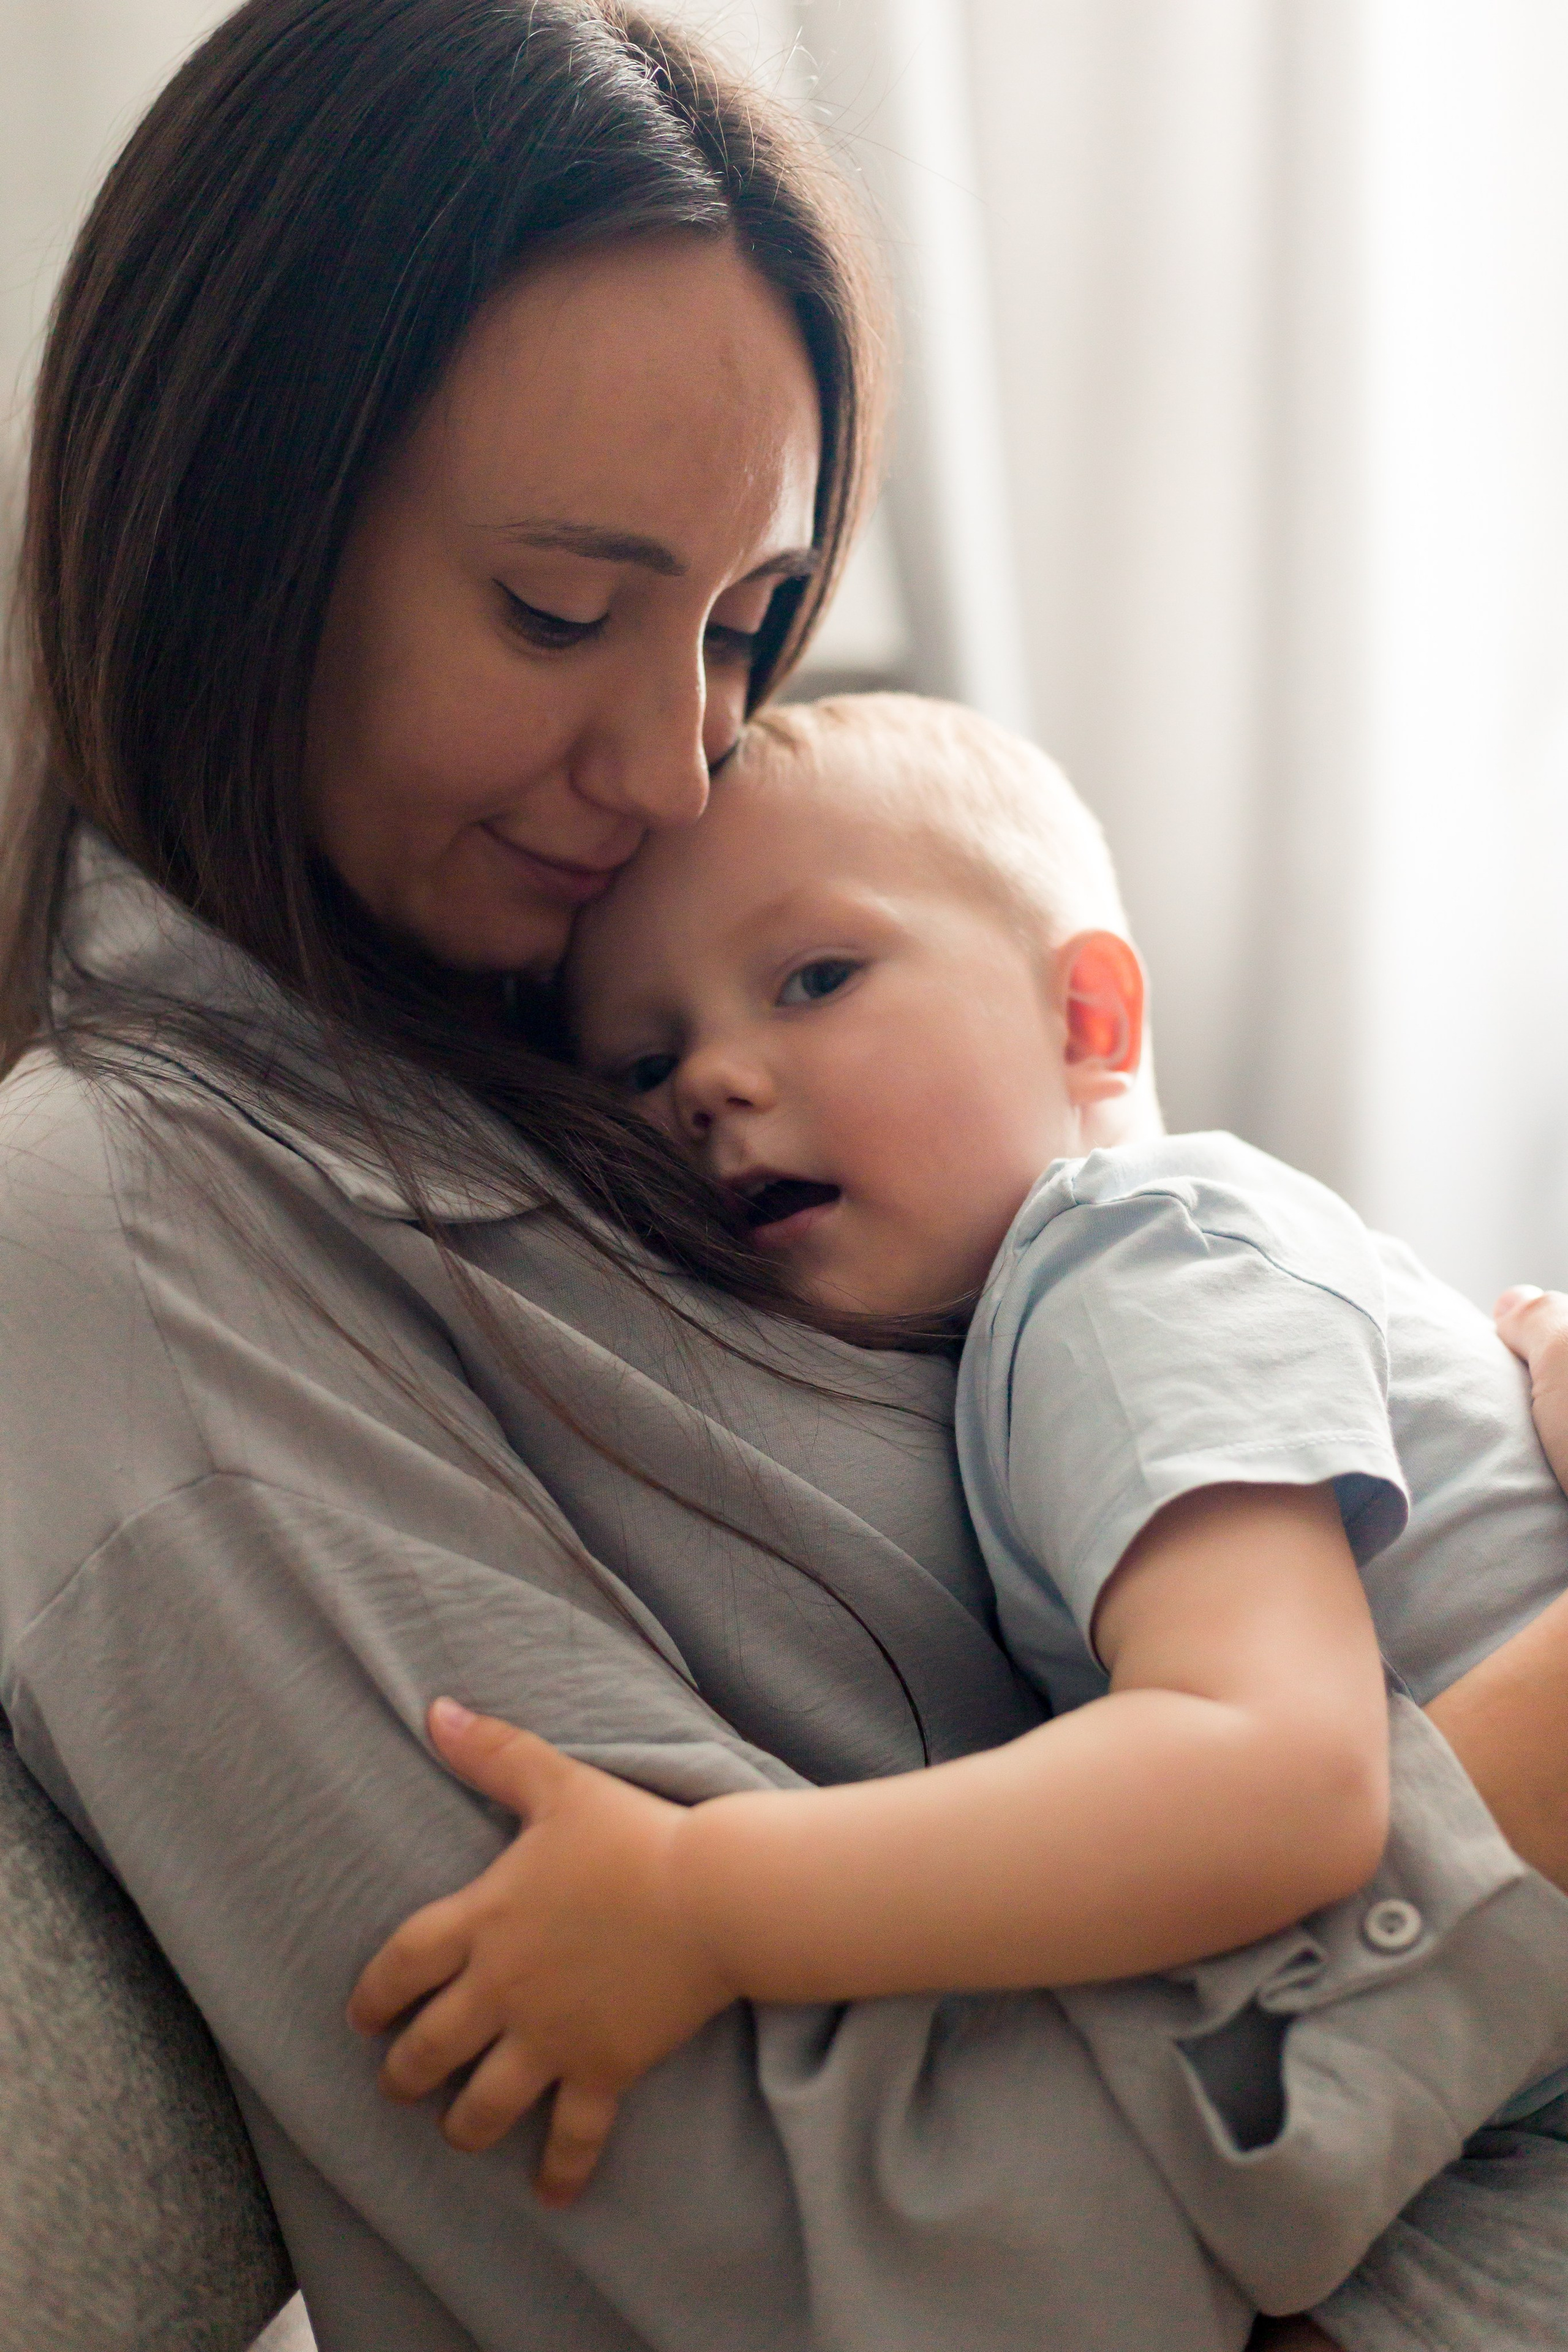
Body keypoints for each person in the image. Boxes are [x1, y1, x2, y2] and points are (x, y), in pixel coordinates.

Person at [1, 5, 1567, 2349]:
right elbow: (839, 2274)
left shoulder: (536, 1009)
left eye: (745, 623)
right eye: (554, 612)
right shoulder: (124, 1241)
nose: (677, 763)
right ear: (239, 532)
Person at [349, 691, 1568, 2214]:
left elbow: (1277, 1778)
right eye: (640, 1065)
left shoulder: (1126, 1254)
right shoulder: (1048, 1317)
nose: (711, 1081)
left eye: (812, 976)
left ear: (1086, 1020)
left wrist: (701, 1902)